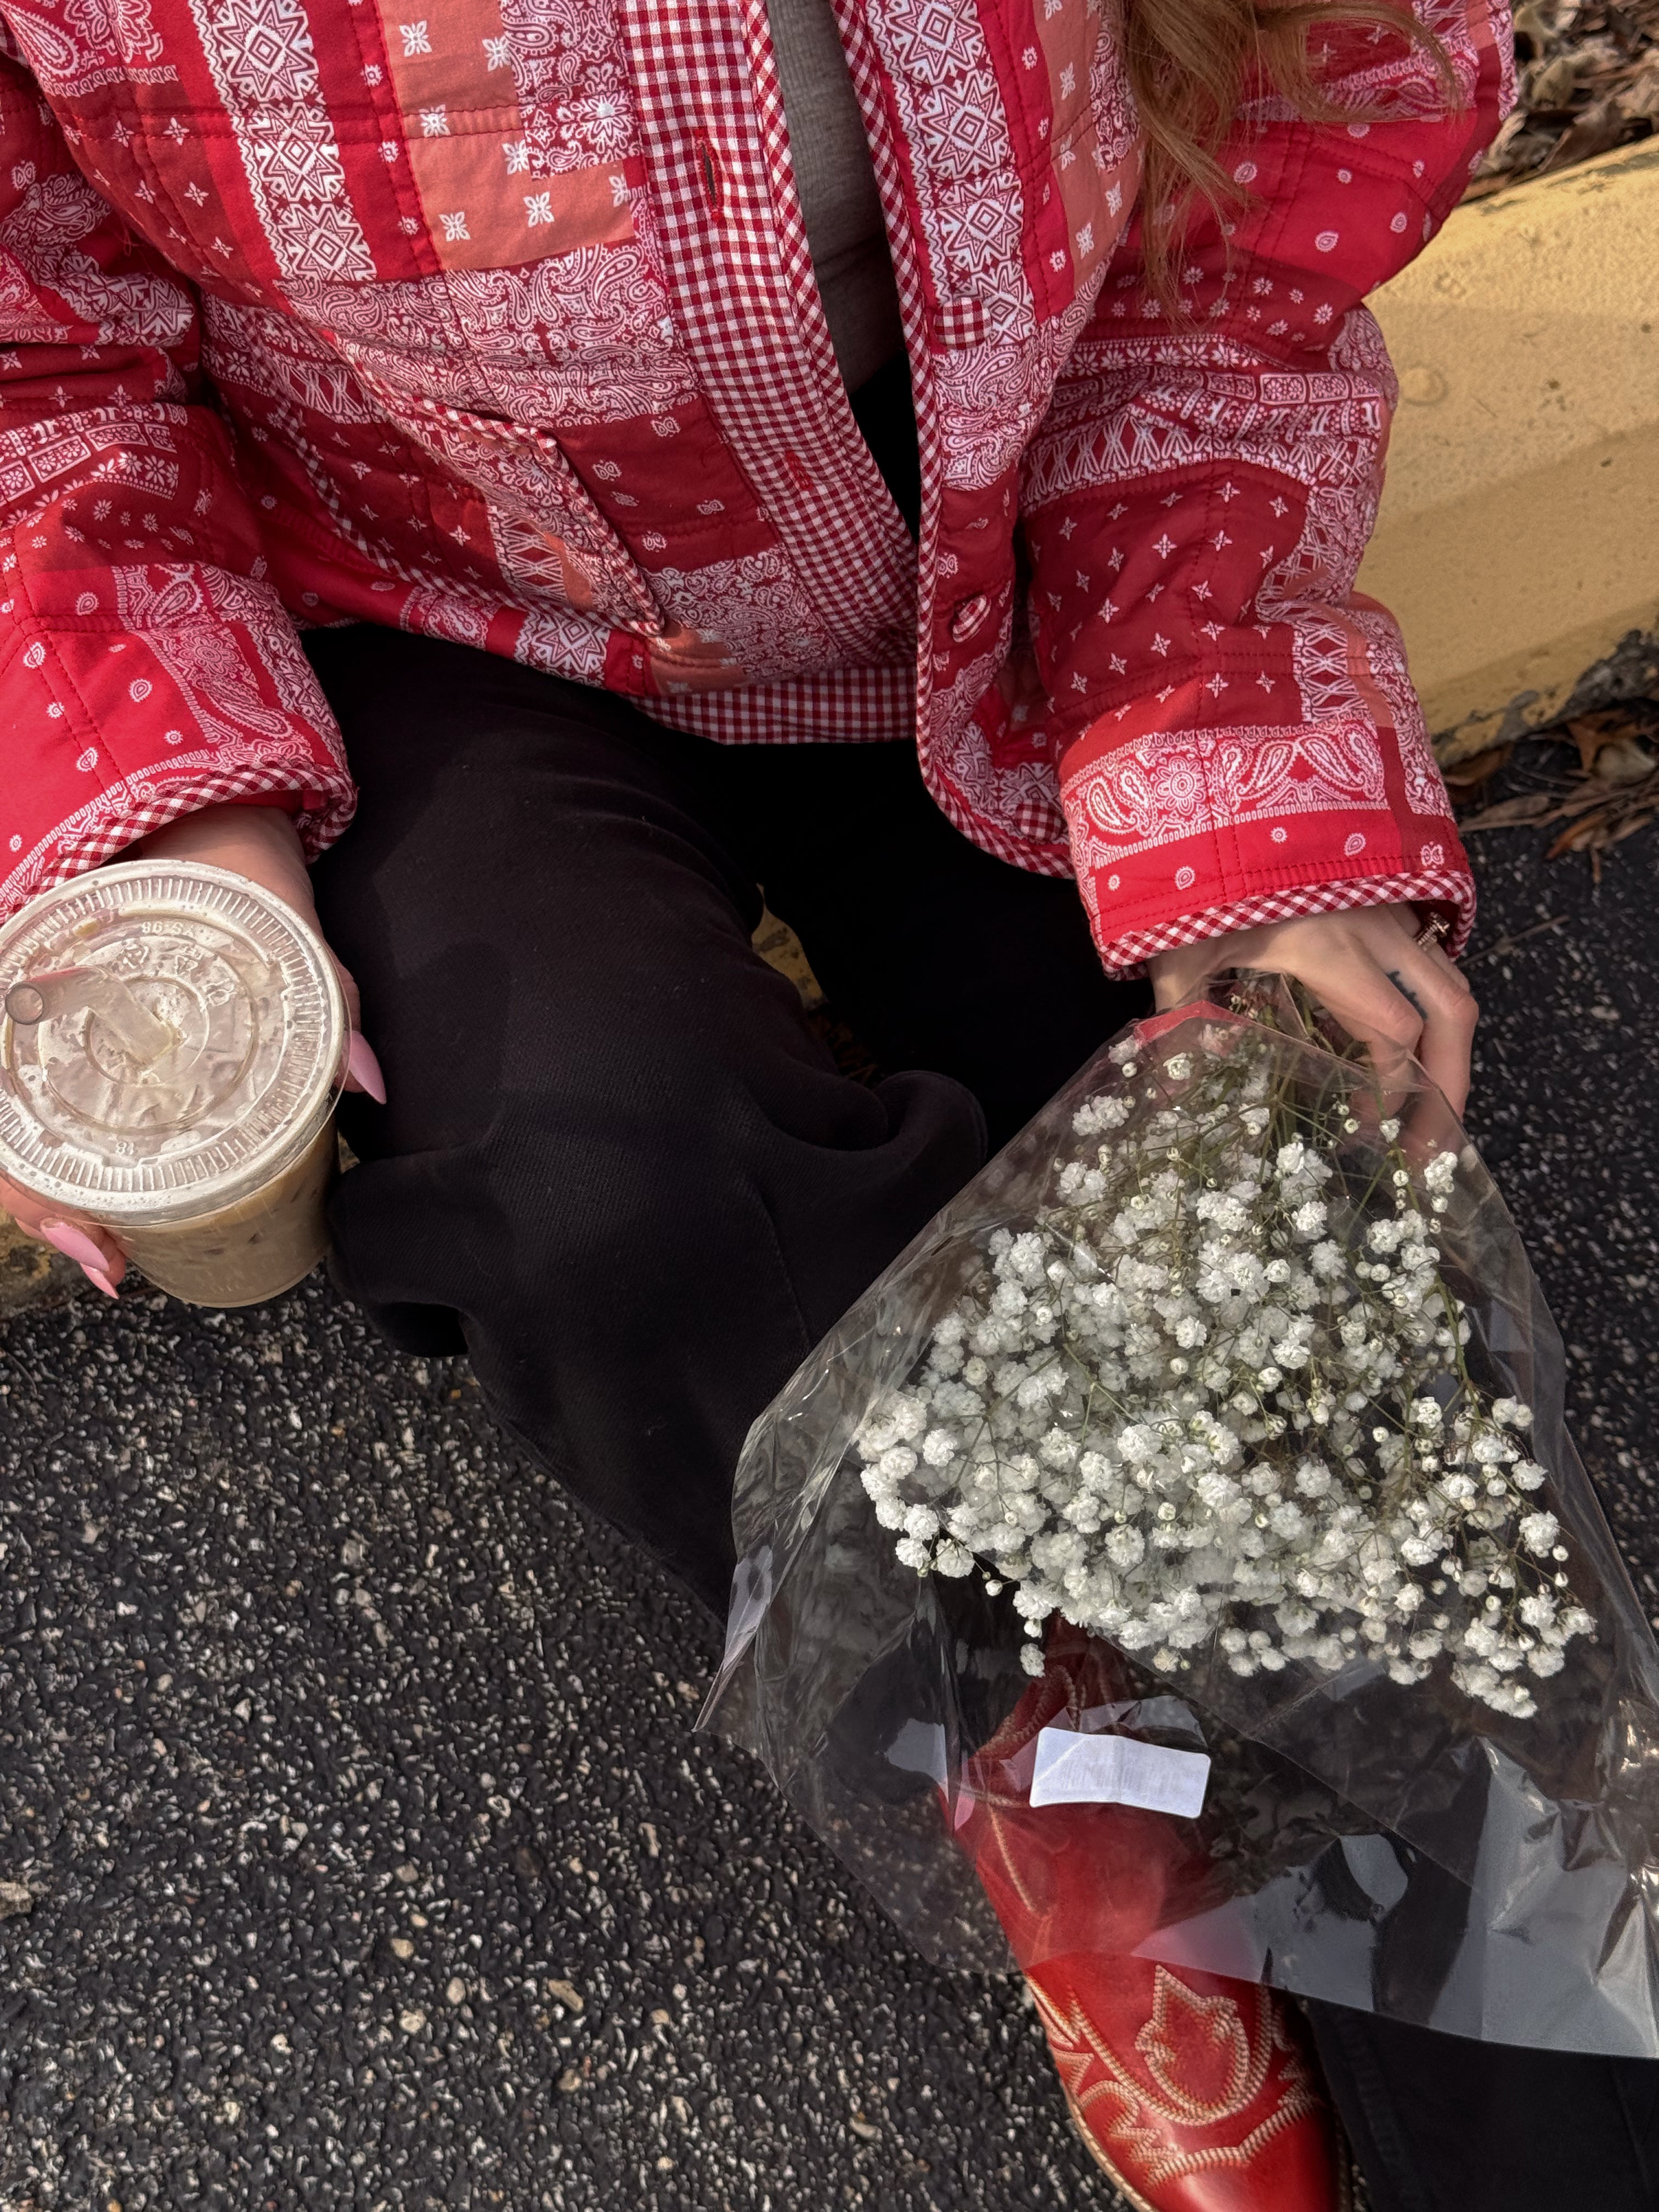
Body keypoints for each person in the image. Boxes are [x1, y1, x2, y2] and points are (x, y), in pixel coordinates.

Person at [5, 1, 1645, 2205]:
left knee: (1276, 1295)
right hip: (430, 596)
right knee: (605, 1191)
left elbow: (1265, 183)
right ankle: (1039, 1743)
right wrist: (171, 836)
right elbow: (33, 366)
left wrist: (1227, 746)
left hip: (1026, 531)